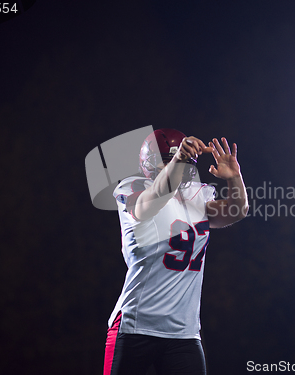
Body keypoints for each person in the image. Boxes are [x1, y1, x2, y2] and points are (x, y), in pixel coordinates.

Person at [103, 129, 248, 375]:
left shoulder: (196, 196)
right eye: (168, 161)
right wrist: (179, 158)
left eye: (179, 160)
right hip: (136, 326)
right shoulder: (133, 188)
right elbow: (148, 204)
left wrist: (235, 178)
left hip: (184, 333)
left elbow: (237, 210)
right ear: (150, 164)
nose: (175, 166)